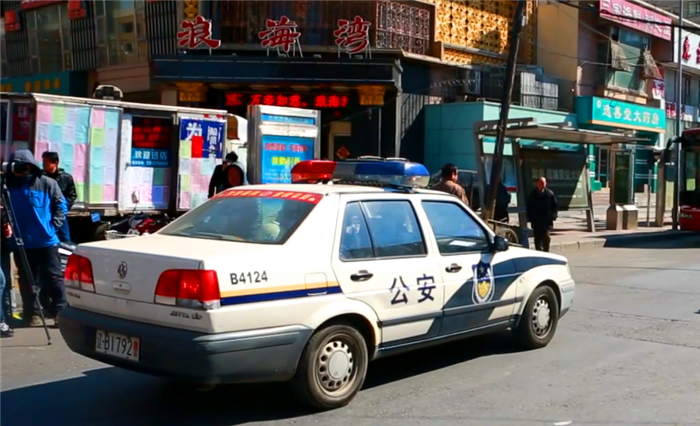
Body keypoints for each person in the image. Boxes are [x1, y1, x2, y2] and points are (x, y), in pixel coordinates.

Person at [5, 149, 68, 327]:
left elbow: (61, 205)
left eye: (25, 166)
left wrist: (53, 226)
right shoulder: (7, 184)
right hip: (21, 242)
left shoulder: (47, 183)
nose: (22, 170)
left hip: (46, 241)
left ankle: (60, 313)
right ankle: (31, 314)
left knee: (54, 277)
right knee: (26, 279)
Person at [41, 151, 76, 243]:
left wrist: (63, 208)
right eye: (43, 161)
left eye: (46, 161)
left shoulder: (66, 177)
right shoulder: (40, 177)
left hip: (59, 213)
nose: (43, 164)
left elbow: (72, 195)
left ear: (55, 163)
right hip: (44, 213)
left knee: (65, 239)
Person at [526, 176, 558, 252]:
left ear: (546, 184)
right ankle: (539, 252)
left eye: (543, 183)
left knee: (546, 238)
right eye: (540, 183)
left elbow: (554, 206)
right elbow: (529, 206)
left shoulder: (549, 194)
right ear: (537, 184)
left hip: (546, 221)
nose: (542, 184)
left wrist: (553, 216)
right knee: (537, 239)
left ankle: (546, 252)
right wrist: (530, 217)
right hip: (536, 221)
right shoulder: (533, 194)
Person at [1, 201, 14, 337]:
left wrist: (8, 223)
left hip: (3, 245)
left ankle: (6, 317)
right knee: (1, 282)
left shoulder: (4, 196)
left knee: (5, 283)